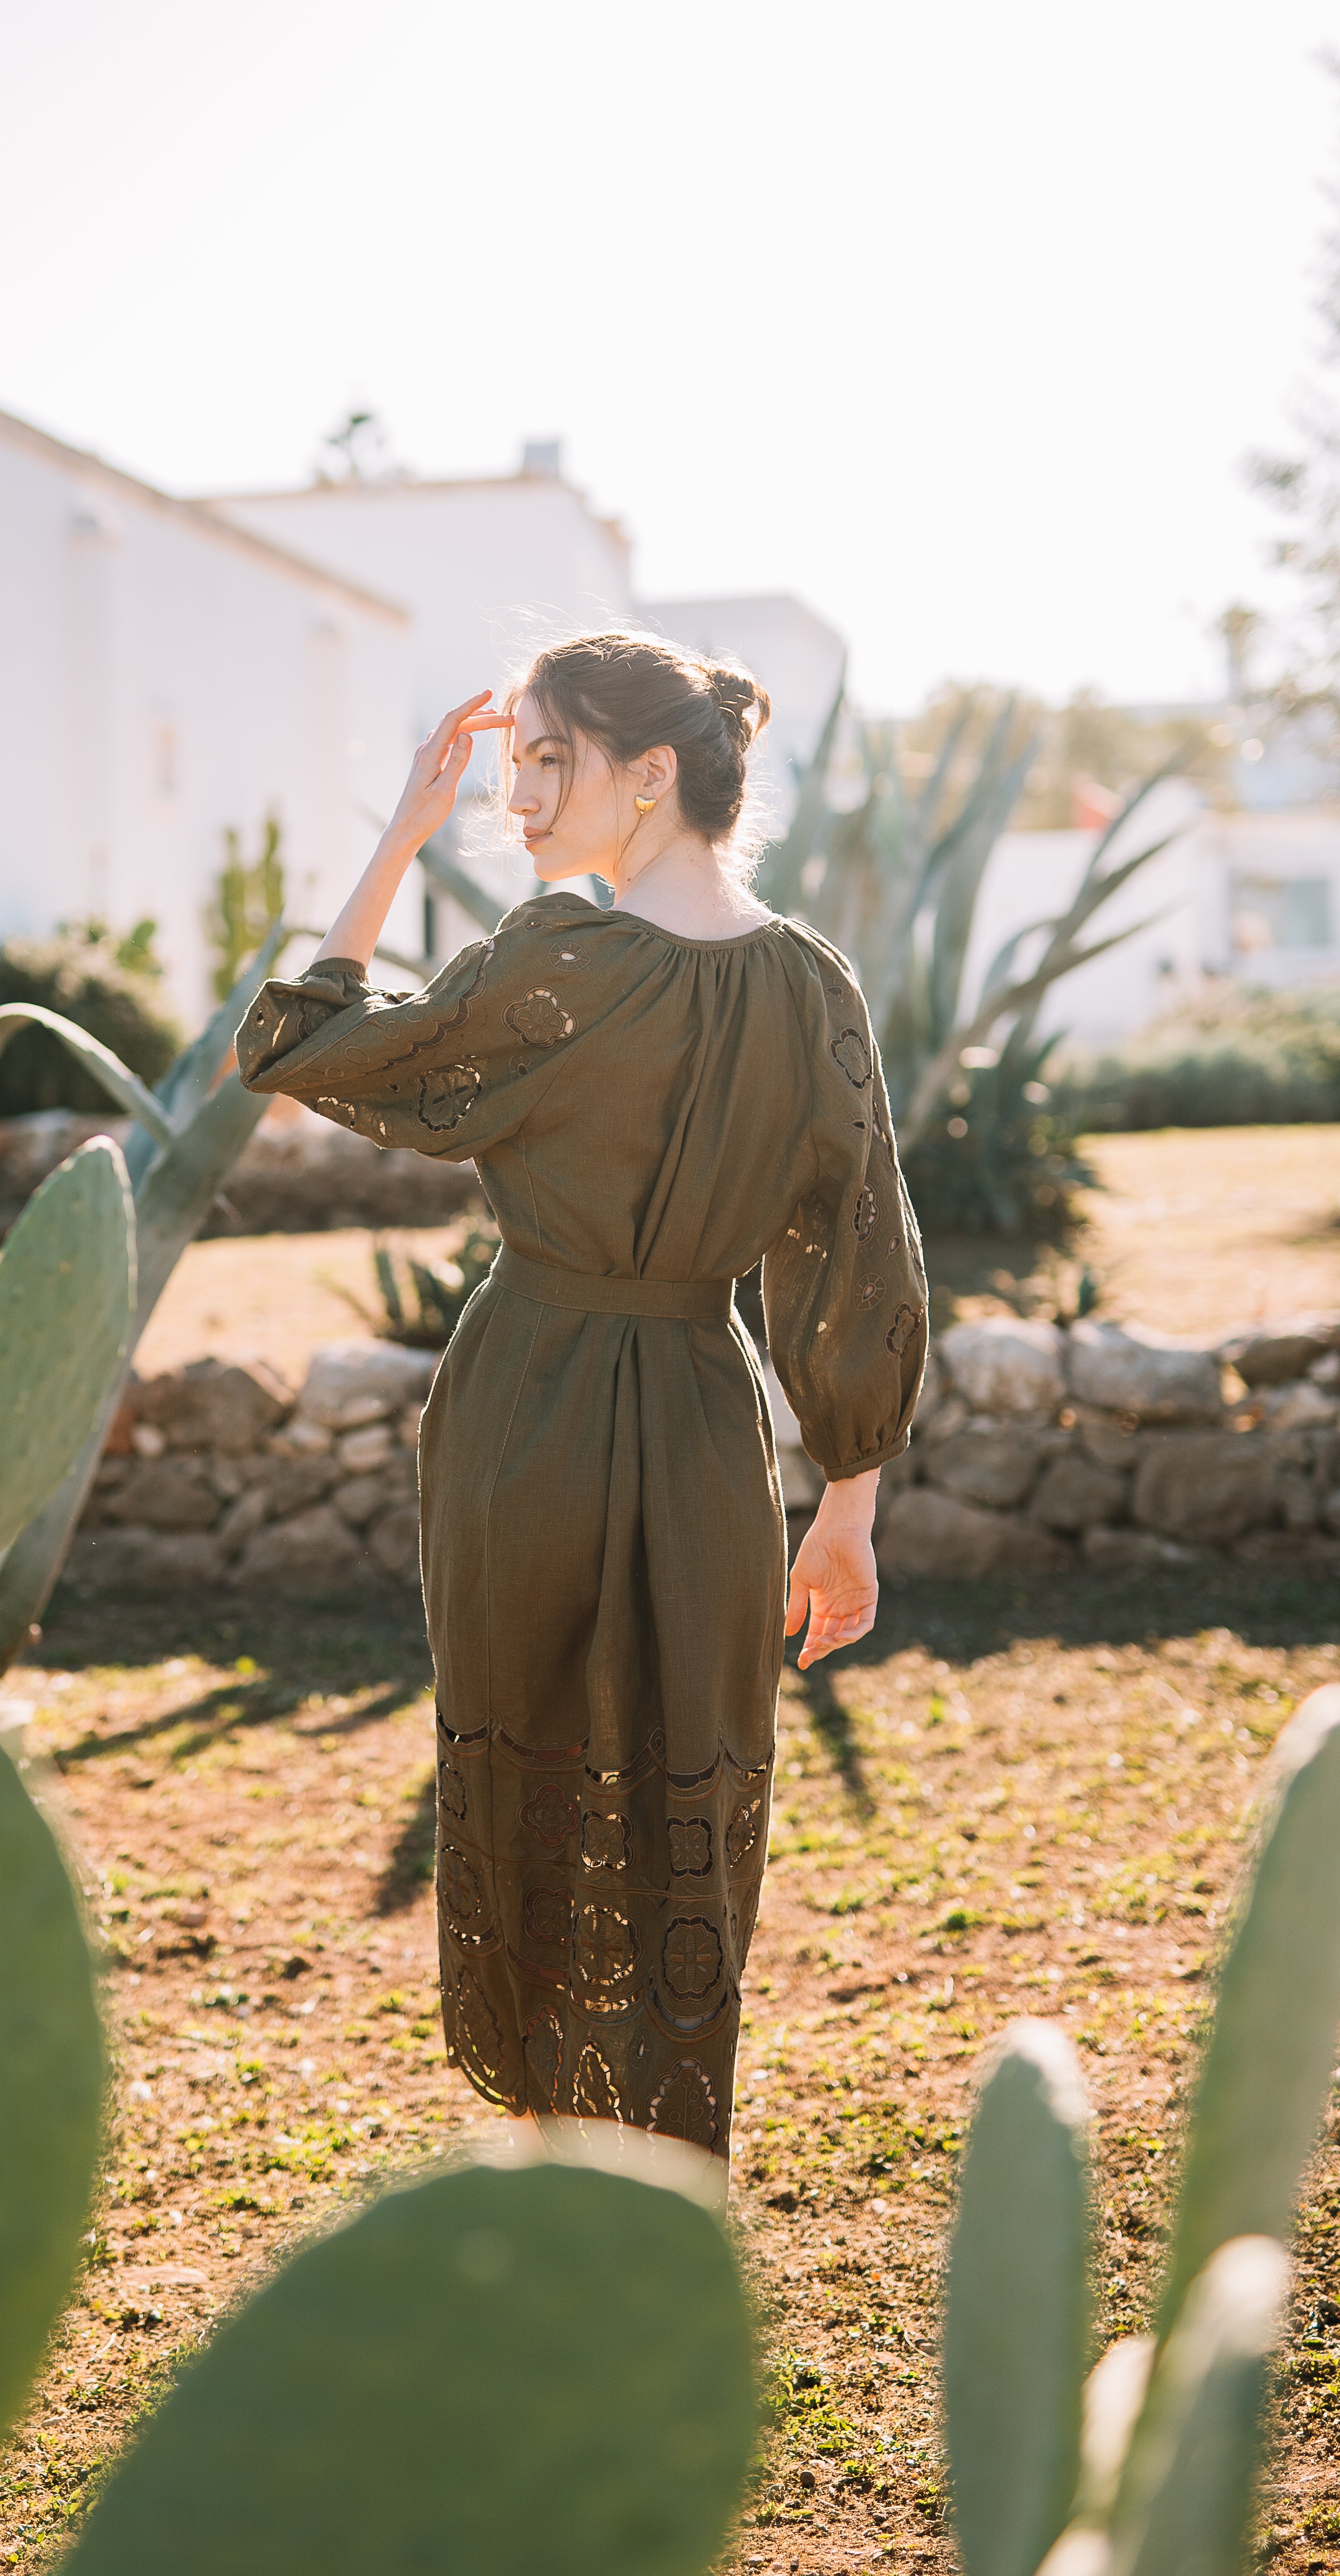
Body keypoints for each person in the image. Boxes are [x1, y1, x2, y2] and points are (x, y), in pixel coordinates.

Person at [236, 629, 927, 2157]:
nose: (518, 794)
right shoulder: (814, 988)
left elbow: (304, 1045)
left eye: (548, 756)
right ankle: (662, 2160)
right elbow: (859, 1254)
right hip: (701, 1413)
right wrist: (849, 1508)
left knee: (538, 1763)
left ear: (652, 773)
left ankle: (561, 2156)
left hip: (531, 1404)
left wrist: (397, 844)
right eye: (507, 764)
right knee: (691, 1770)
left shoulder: (560, 960)